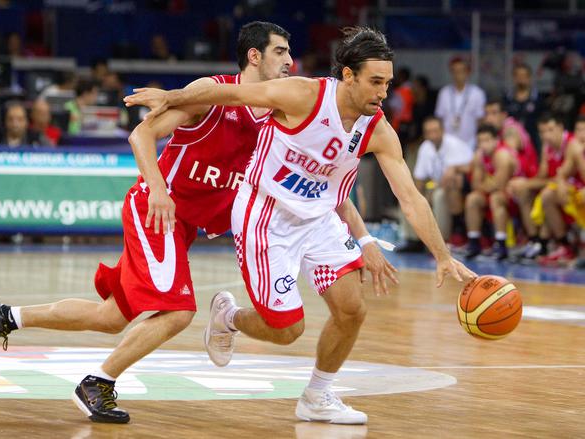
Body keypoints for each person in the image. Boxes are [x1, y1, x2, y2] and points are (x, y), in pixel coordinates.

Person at [0, 22, 395, 426]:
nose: (290, 61)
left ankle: (3, 316)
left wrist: (363, 237)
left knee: (113, 316)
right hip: (158, 210)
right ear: (253, 56)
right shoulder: (212, 94)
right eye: (280, 52)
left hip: (186, 224)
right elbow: (141, 135)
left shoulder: (280, 113)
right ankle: (96, 383)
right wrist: (156, 188)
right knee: (176, 312)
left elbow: (324, 189)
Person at [125, 26, 476, 424]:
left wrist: (442, 256)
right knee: (287, 329)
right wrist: (171, 96)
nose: (383, 92)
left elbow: (410, 196)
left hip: (319, 220)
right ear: (348, 75)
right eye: (375, 82)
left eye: (388, 83)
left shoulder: (376, 128)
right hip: (266, 214)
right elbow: (230, 93)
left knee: (352, 309)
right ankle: (229, 318)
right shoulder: (304, 95)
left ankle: (317, 395)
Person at [398, 116, 473, 252]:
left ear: (442, 130)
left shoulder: (454, 144)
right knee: (408, 196)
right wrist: (415, 195)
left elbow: (469, 168)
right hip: (434, 185)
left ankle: (442, 241)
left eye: (435, 131)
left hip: (456, 187)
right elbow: (420, 178)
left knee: (439, 195)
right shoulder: (425, 148)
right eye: (429, 132)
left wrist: (454, 168)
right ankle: (413, 240)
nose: (432, 135)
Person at [507, 113, 574, 260]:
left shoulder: (571, 145)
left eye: (550, 130)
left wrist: (527, 182)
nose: (546, 135)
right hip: (554, 187)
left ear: (561, 128)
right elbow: (543, 176)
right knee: (523, 191)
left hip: (572, 190)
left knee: (547, 195)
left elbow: (559, 179)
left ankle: (564, 245)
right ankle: (535, 241)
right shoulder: (547, 147)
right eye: (542, 132)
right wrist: (523, 183)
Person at [532, 115, 585, 266]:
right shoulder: (576, 148)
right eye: (578, 129)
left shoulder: (573, 146)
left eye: (583, 129)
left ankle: (542, 243)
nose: (580, 133)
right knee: (548, 195)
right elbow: (562, 173)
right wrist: (560, 182)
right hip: (575, 192)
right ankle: (563, 245)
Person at [464, 125, 522, 260]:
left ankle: (501, 245)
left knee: (496, 198)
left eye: (487, 140)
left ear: (496, 140)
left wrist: (485, 184)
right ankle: (474, 243)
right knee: (472, 198)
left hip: (517, 194)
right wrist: (487, 185)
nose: (484, 145)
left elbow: (500, 184)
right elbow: (475, 185)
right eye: (481, 141)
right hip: (496, 193)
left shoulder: (502, 154)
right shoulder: (480, 155)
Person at [435, 56, 486, 148]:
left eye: (461, 71)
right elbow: (439, 118)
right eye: (455, 71)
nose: (458, 74)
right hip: (447, 142)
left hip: (470, 142)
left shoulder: (477, 93)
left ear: (467, 72)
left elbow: (480, 120)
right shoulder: (444, 93)